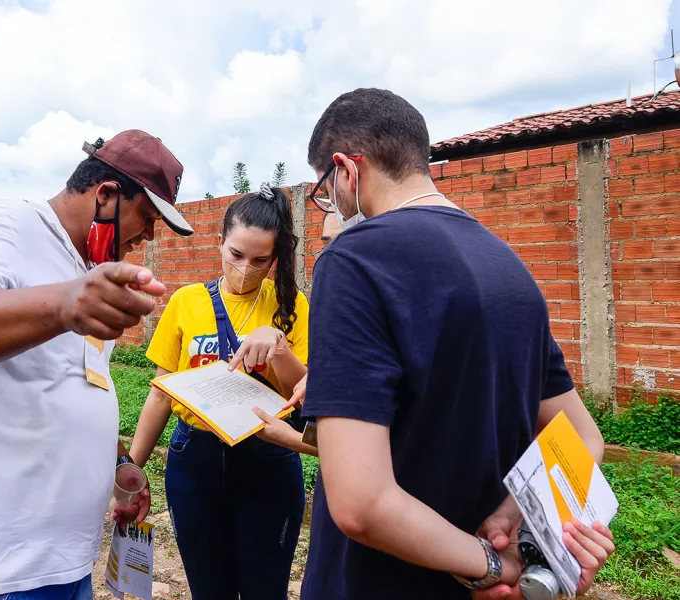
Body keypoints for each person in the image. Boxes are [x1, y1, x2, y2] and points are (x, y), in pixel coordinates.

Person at [252, 88, 615, 600]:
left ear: (347, 170)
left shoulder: (355, 260)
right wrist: (509, 518)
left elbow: (361, 501)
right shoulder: (512, 269)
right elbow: (583, 438)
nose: (328, 204)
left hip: (377, 582)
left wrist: (491, 566)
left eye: (325, 191)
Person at [0, 130, 195, 600]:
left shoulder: (85, 269)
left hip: (61, 563)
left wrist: (117, 464)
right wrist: (65, 303)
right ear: (106, 196)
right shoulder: (7, 224)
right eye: (147, 217)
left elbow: (65, 380)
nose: (149, 236)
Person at [129, 183, 309, 599]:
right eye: (236, 254)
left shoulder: (291, 306)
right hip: (195, 462)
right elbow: (161, 393)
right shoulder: (185, 302)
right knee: (210, 589)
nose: (246, 268)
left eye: (261, 259)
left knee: (266, 589)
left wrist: (277, 347)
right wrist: (133, 471)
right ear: (220, 243)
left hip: (268, 460)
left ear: (275, 258)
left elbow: (304, 394)